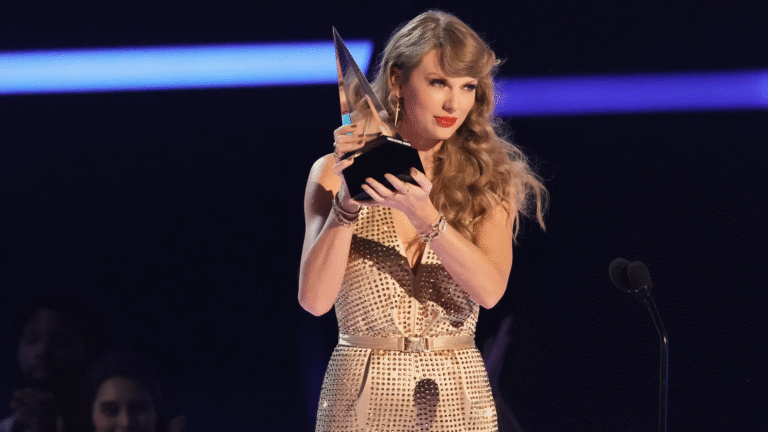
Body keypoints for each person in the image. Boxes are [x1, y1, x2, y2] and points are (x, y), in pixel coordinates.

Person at [299, 10, 546, 432]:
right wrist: (347, 200)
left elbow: (489, 292)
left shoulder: (489, 180)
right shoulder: (329, 172)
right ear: (397, 80)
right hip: (361, 397)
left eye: (467, 87)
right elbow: (315, 301)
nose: (454, 103)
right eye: (438, 83)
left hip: (456, 397)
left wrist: (424, 213)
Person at [1, 296, 105, 432]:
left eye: (60, 342)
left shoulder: (108, 417)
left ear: (87, 349)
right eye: (32, 339)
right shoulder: (4, 409)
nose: (42, 351)